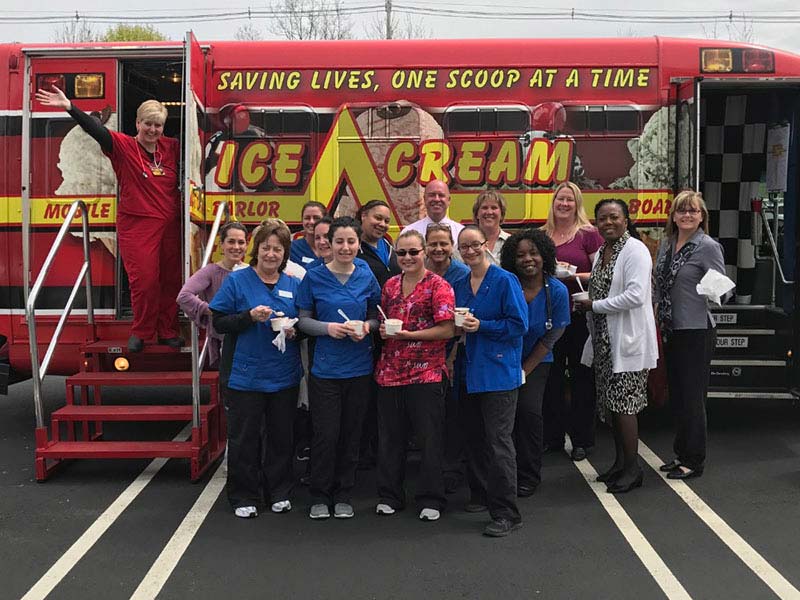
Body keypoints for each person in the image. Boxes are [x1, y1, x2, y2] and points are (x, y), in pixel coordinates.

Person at [35, 86, 183, 353]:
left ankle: (168, 330)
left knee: (171, 280)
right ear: (137, 123)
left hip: (170, 224)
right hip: (137, 225)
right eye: (148, 124)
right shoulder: (123, 146)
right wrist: (70, 107)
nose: (152, 130)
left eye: (158, 125)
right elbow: (96, 130)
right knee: (145, 281)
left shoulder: (170, 148)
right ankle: (143, 331)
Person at [210, 220, 302, 518]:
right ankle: (243, 495)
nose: (271, 254)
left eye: (278, 249)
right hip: (245, 374)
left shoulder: (293, 284)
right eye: (266, 248)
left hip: (283, 375)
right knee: (244, 438)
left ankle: (279, 490)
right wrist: (249, 316)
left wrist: (293, 331)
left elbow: (303, 325)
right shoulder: (237, 282)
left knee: (281, 437)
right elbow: (219, 322)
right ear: (256, 249)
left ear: (285, 253)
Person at [296, 216, 382, 520]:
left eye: (351, 241)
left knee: (351, 434)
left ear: (359, 244)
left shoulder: (366, 274)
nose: (345, 247)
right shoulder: (314, 277)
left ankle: (344, 492)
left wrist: (366, 326)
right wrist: (327, 328)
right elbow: (302, 320)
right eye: (339, 241)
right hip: (326, 371)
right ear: (328, 244)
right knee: (326, 434)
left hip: (359, 369)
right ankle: (320, 493)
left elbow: (377, 316)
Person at [574, 199, 658, 494]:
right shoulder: (601, 252)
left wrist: (594, 305)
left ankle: (633, 469)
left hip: (627, 342)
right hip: (605, 341)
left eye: (614, 217)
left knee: (625, 406)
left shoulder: (635, 250)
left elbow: (636, 295)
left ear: (626, 219)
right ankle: (620, 463)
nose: (608, 223)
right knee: (611, 405)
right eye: (602, 219)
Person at [452, 225, 529, 537]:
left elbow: (518, 324)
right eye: (464, 247)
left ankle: (507, 512)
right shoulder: (459, 281)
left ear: (486, 245)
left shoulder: (504, 279)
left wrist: (480, 325)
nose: (469, 251)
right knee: (475, 438)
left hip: (498, 373)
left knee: (499, 442)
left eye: (474, 245)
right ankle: (481, 493)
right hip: (468, 370)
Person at [374, 230, 455, 522]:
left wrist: (411, 334)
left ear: (424, 253)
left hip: (427, 374)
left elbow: (448, 329)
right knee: (390, 439)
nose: (407, 258)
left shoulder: (439, 286)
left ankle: (431, 497)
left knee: (429, 439)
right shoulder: (391, 286)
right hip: (390, 373)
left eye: (413, 252)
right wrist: (385, 331)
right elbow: (384, 322)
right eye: (402, 253)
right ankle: (389, 495)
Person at [655, 191, 725, 480]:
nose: (687, 215)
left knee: (693, 398)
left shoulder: (707, 246)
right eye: (681, 210)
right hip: (671, 328)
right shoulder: (666, 245)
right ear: (673, 215)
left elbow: (724, 288)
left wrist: (709, 289)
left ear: (701, 216)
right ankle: (681, 452)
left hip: (695, 329)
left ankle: (694, 460)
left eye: (693, 211)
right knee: (679, 396)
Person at [500, 230, 569, 497]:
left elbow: (551, 336)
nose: (528, 259)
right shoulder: (507, 285)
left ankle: (529, 474)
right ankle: (502, 471)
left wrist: (524, 371)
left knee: (528, 412)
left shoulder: (558, 292)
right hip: (503, 358)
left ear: (545, 256)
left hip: (537, 360)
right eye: (520, 255)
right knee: (503, 416)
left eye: (533, 253)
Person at [541, 181, 604, 461]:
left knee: (581, 379)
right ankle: (553, 437)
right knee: (551, 379)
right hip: (549, 318)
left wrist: (573, 276)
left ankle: (582, 440)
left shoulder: (589, 235)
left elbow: (603, 272)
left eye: (569, 200)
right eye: (559, 199)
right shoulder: (543, 235)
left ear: (577, 204)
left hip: (579, 316)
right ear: (553, 203)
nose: (563, 204)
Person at [425, 223, 470, 493]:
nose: (439, 249)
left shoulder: (462, 274)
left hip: (454, 352)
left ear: (451, 244)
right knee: (431, 414)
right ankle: (432, 467)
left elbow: (462, 321)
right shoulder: (420, 270)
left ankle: (452, 468)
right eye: (433, 244)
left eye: (444, 243)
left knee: (453, 412)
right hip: (423, 353)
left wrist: (451, 356)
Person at [176, 222, 248, 367]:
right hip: (225, 340)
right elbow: (184, 296)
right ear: (221, 244)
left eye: (241, 242)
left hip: (249, 338)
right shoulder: (210, 271)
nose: (236, 247)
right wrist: (211, 310)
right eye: (231, 242)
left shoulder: (251, 271)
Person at [357, 199, 401, 287]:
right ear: (363, 216)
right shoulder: (353, 250)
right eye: (378, 218)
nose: (382, 224)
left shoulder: (389, 246)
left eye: (387, 221)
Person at [473, 190, 510, 265]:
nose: (489, 212)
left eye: (494, 208)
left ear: (502, 214)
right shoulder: (466, 243)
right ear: (477, 214)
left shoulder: (511, 241)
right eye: (484, 208)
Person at [290, 201, 328, 267]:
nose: (311, 222)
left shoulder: (333, 248)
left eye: (316, 218)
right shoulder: (292, 248)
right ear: (302, 220)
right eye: (307, 218)